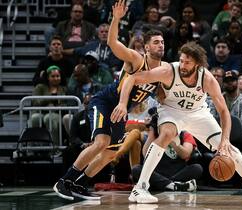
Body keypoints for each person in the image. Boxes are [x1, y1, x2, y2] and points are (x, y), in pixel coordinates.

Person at [112, 41, 242, 204]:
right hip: (171, 110)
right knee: (167, 134)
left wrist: (225, 139)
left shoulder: (207, 78)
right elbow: (133, 78)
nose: (183, 65)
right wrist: (123, 103)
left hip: (198, 113)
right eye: (181, 60)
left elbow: (223, 111)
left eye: (187, 62)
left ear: (198, 65)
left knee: (227, 148)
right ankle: (140, 188)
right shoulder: (168, 71)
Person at [53, 0, 168, 201]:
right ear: (147, 47)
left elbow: (160, 94)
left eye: (163, 42)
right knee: (101, 142)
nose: (161, 45)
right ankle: (64, 181)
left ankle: (79, 183)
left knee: (110, 153)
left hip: (121, 112)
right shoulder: (136, 59)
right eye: (156, 42)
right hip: (105, 102)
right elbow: (113, 43)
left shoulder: (162, 71)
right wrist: (116, 19)